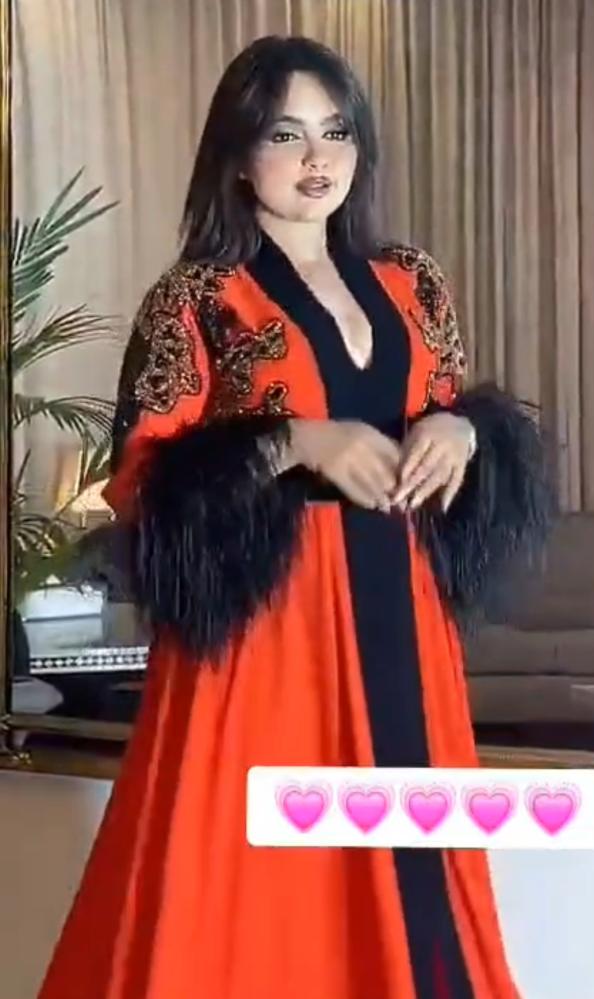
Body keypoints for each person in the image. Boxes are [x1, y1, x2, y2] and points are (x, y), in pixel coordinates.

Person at [38, 35, 551, 999]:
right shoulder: (197, 298)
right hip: (265, 629)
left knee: (413, 869)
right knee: (258, 881)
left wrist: (465, 429)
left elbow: (444, 405)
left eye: (336, 132)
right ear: (238, 155)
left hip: (402, 606)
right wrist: (294, 442)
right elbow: (143, 481)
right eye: (285, 134)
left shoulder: (411, 282)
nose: (318, 158)